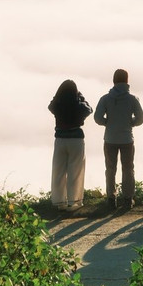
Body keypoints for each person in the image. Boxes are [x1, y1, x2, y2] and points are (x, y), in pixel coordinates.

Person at [93, 68, 143, 212]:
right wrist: (131, 123)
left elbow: (97, 118)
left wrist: (108, 123)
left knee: (110, 169)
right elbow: (141, 118)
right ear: (127, 81)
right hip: (127, 138)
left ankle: (111, 199)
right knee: (128, 169)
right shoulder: (132, 99)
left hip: (110, 138)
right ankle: (128, 199)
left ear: (113, 81)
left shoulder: (105, 98)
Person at [48, 79, 92, 213]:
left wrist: (57, 96)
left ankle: (59, 201)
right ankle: (75, 202)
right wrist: (81, 96)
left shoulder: (57, 105)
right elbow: (89, 109)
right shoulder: (78, 105)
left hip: (60, 139)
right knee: (76, 171)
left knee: (59, 171)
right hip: (76, 139)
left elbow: (50, 106)